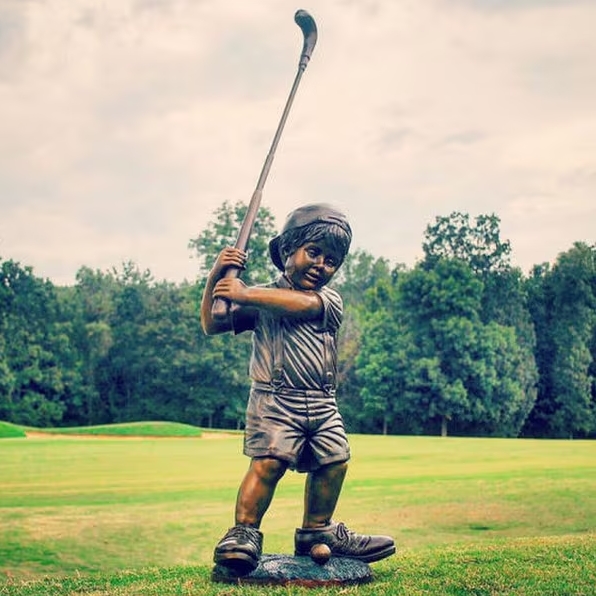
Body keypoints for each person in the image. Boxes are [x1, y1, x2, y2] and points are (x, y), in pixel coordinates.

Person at [201, 203, 395, 575]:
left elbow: (300, 305)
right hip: (274, 401)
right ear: (288, 250)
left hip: (322, 403)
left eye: (332, 260)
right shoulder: (257, 299)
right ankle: (243, 533)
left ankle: (316, 531)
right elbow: (213, 322)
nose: (322, 264)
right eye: (314, 252)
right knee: (269, 462)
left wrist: (243, 292)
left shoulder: (327, 299)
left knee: (335, 461)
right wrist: (217, 277)